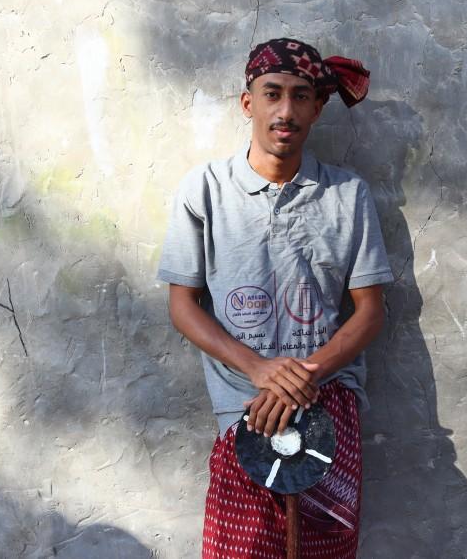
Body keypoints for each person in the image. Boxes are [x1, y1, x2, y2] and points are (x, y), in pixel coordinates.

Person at [157, 37, 394, 558]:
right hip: (244, 406)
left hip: (326, 401)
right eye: (272, 93)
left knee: (327, 549)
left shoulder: (347, 194)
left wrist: (302, 377)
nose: (285, 111)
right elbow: (183, 306)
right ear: (249, 103)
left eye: (300, 96)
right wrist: (260, 370)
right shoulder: (205, 190)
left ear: (317, 108)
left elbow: (370, 311)